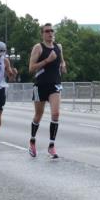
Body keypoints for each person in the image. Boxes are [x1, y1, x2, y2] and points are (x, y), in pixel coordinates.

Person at [28, 23, 66, 158]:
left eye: (52, 31)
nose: (50, 33)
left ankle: (51, 146)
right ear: (42, 34)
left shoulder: (58, 47)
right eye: (47, 31)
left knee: (56, 114)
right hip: (40, 86)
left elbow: (62, 61)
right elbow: (31, 68)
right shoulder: (38, 48)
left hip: (55, 85)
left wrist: (63, 66)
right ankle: (32, 141)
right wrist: (47, 60)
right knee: (38, 115)